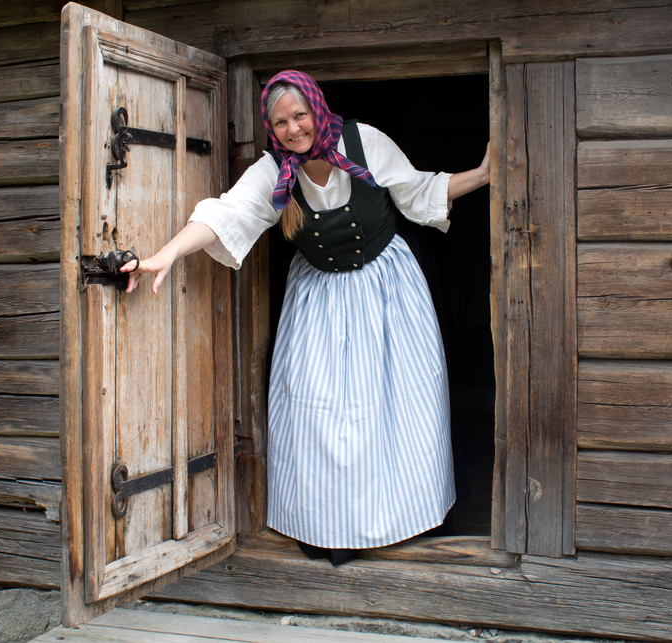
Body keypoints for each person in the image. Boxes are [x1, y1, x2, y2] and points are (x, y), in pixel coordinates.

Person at [123, 70, 491, 565]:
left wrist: (484, 174)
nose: (293, 128)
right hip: (318, 298)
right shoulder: (275, 169)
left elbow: (419, 192)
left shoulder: (364, 142)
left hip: (386, 289)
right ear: (270, 128)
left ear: (317, 108)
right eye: (281, 122)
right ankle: (329, 525)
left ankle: (400, 516)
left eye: (300, 116)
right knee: (316, 409)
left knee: (400, 402)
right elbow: (226, 215)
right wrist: (166, 254)